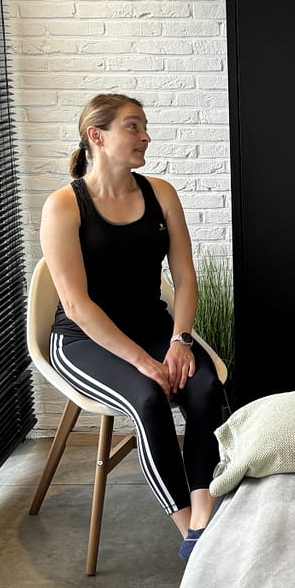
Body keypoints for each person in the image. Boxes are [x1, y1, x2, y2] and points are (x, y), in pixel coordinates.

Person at [40, 93, 226, 560]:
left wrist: (180, 340)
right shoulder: (64, 206)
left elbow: (185, 278)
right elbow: (77, 306)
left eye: (144, 127)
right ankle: (189, 536)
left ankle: (203, 521)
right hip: (84, 340)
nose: (146, 136)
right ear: (97, 136)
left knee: (205, 387)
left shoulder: (160, 193)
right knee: (148, 397)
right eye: (133, 126)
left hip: (154, 327)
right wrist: (144, 361)